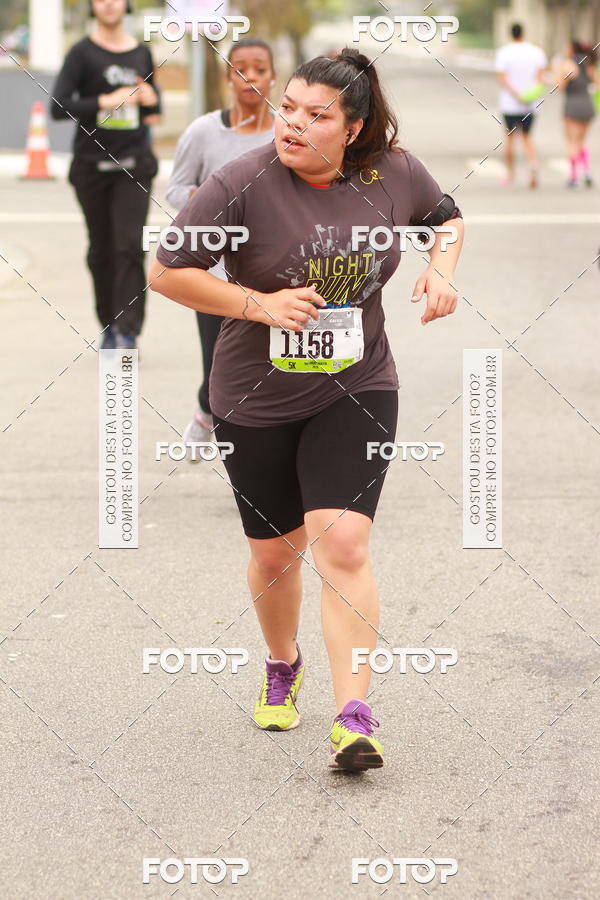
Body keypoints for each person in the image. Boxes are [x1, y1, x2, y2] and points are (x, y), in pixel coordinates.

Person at [149, 49, 464, 772]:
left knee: (344, 544)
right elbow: (167, 272)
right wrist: (259, 303)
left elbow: (446, 221)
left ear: (352, 129)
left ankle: (354, 715)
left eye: (316, 115)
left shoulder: (395, 172)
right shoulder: (241, 180)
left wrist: (442, 270)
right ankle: (281, 661)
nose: (292, 123)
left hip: (357, 384)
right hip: (254, 397)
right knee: (273, 552)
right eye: (289, 107)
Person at [165, 38, 276, 450]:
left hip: (273, 273)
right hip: (213, 274)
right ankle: (206, 410)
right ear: (229, 77)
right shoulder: (203, 132)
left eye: (260, 69)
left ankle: (257, 454)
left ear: (273, 76)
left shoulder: (288, 132)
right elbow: (176, 189)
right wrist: (214, 207)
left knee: (272, 369)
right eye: (241, 69)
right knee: (219, 368)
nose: (251, 77)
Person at [51, 0, 161, 350]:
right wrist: (105, 100)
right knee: (101, 250)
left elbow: (154, 111)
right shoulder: (81, 53)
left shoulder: (142, 53)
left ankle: (128, 331)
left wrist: (149, 97)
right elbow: (58, 106)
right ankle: (109, 325)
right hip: (91, 166)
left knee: (129, 246)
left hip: (134, 164)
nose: (109, 4)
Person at [495, 23, 547, 188]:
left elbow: (502, 79)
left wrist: (517, 95)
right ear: (523, 33)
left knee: (510, 139)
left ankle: (510, 175)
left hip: (510, 104)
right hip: (530, 104)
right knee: (527, 138)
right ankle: (533, 165)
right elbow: (541, 80)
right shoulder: (537, 52)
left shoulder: (504, 52)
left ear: (511, 34)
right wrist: (528, 95)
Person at [556, 40, 598, 188]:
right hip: (587, 105)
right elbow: (597, 84)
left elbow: (560, 87)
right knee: (581, 142)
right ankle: (587, 172)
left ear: (572, 49)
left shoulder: (568, 65)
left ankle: (574, 178)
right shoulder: (589, 65)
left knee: (572, 142)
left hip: (572, 106)